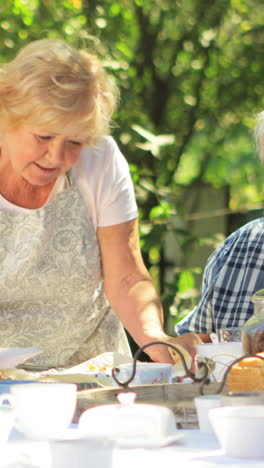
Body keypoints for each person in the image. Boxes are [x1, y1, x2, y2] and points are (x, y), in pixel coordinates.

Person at [0, 38, 200, 371]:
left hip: (91, 371)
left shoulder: (100, 160)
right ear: (8, 116)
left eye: (75, 142)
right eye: (44, 137)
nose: (57, 157)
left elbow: (126, 277)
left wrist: (154, 336)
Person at [175, 215, 264, 342]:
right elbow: (202, 338)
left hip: (230, 360)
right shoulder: (244, 239)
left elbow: (200, 341)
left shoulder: (242, 238)